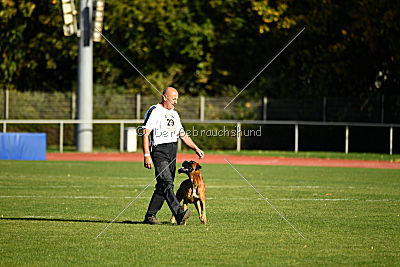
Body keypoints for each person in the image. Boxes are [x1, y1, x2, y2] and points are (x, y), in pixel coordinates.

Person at [142, 87, 205, 225]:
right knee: (167, 183)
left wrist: (195, 148)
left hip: (172, 151)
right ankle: (179, 214)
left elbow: (182, 134)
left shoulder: (174, 114)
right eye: (173, 98)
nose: (176, 101)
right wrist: (147, 154)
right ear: (165, 97)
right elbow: (145, 133)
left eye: (177, 98)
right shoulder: (155, 111)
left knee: (162, 186)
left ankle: (150, 216)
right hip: (159, 151)